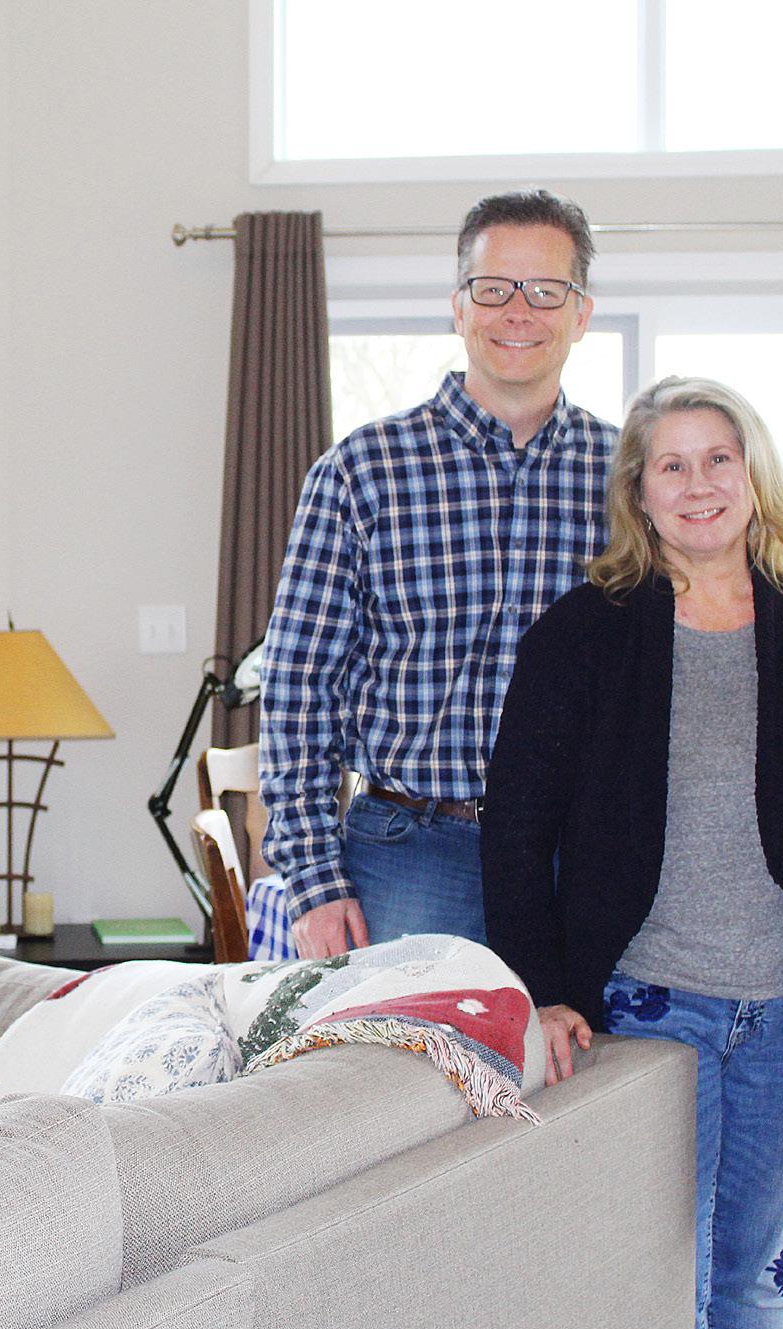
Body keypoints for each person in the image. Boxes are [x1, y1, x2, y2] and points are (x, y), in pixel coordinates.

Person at [480, 375, 783, 1329]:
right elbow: (513, 832)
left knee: (757, 1280)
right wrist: (542, 991)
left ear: (754, 476)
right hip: (644, 1011)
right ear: (639, 495)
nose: (698, 484)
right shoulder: (581, 637)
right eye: (671, 465)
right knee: (651, 1283)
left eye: (718, 458)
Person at [258, 188, 617, 959]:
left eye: (544, 289)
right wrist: (313, 879)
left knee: (578, 1048)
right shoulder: (360, 472)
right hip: (409, 854)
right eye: (492, 288)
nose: (516, 310)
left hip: (579, 858)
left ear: (580, 313)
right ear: (458, 308)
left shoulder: (628, 478)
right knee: (397, 1045)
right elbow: (298, 689)